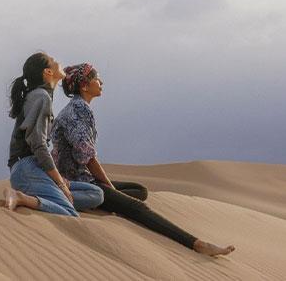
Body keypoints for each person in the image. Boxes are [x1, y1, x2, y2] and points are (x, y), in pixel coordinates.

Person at [51, 62, 236, 256]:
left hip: (82, 177)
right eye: (96, 78)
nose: (101, 82)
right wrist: (109, 187)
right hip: (76, 182)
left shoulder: (74, 108)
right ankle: (197, 244)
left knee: (140, 190)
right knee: (138, 207)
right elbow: (86, 156)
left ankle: (105, 202)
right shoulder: (79, 110)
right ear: (84, 86)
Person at [3, 52, 104, 217]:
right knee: (70, 213)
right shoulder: (41, 97)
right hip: (26, 169)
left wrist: (59, 181)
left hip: (34, 167)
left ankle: (52, 198)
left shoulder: (41, 96)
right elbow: (38, 144)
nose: (58, 62)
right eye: (53, 61)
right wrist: (59, 182)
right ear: (48, 72)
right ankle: (22, 198)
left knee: (96, 194)